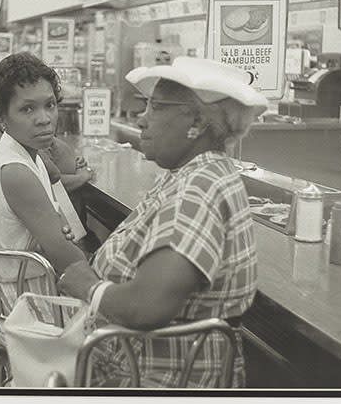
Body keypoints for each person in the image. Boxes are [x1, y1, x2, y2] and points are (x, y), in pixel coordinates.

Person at [57, 57, 268, 388]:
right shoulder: (191, 173)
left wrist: (89, 286)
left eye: (155, 107)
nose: (142, 120)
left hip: (158, 380)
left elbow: (146, 307)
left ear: (196, 122)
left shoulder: (197, 191)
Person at [0, 52, 87, 321]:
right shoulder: (16, 172)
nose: (44, 118)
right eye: (27, 109)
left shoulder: (24, 154)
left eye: (50, 105)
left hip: (22, 287)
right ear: (1, 116)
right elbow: (64, 255)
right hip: (23, 302)